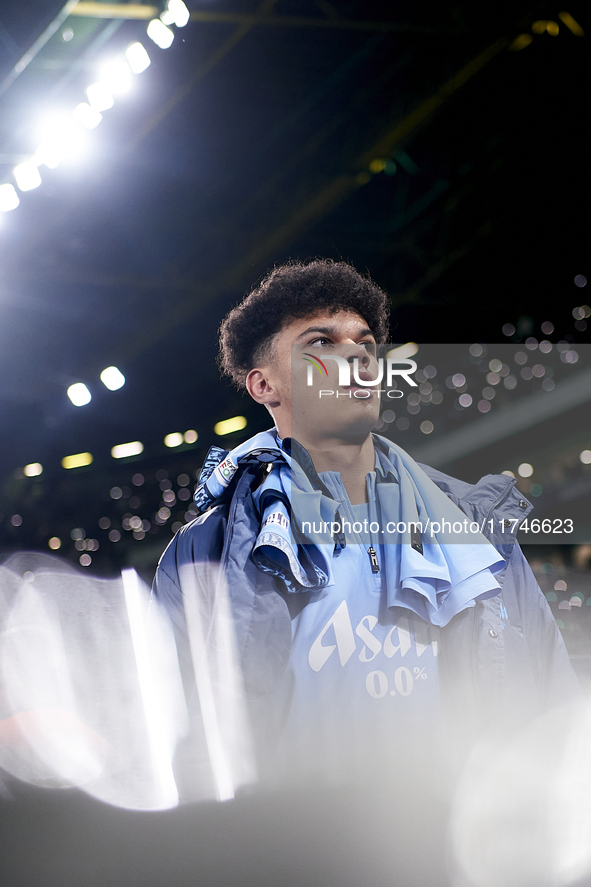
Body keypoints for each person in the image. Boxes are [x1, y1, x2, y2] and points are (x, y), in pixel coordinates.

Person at [152, 259, 580, 795]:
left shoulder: (474, 525)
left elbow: (551, 692)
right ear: (264, 385)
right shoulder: (203, 553)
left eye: (365, 341)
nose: (355, 355)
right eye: (321, 343)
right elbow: (184, 746)